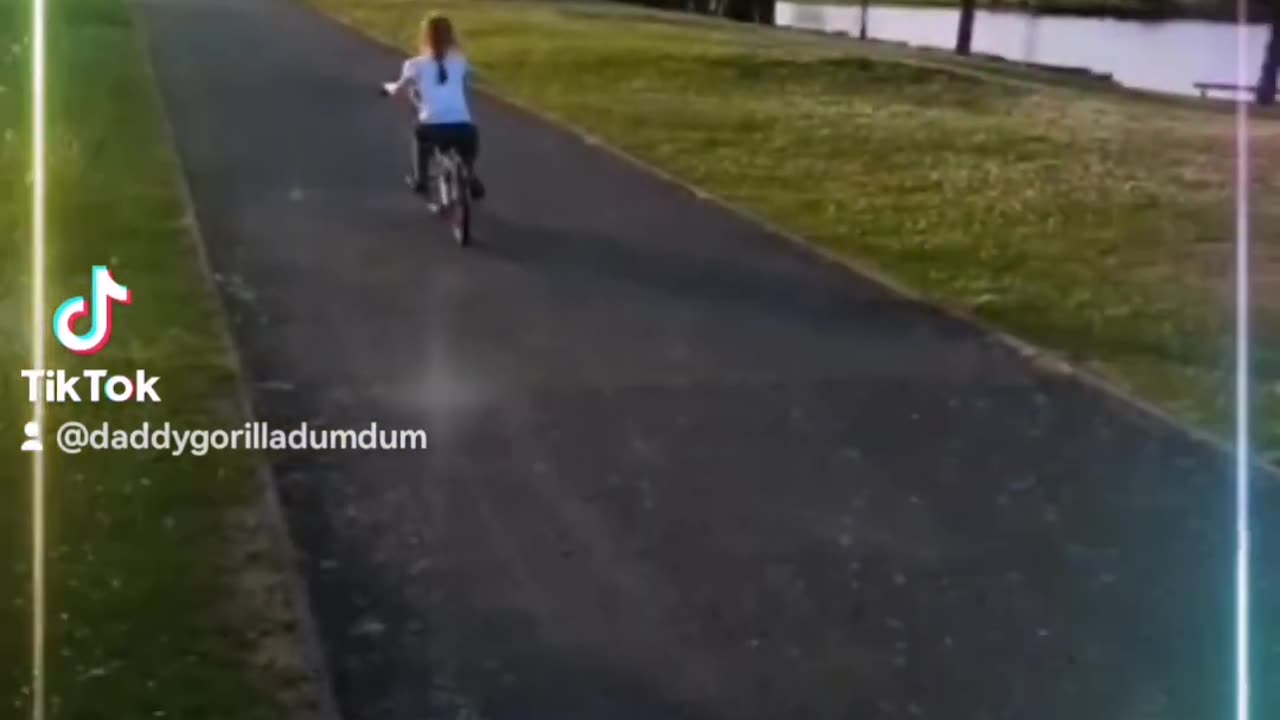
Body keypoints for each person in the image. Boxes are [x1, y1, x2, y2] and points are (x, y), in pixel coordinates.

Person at [383, 14, 484, 201]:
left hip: (432, 126)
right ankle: (469, 175)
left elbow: (398, 88)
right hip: (464, 128)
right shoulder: (460, 61)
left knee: (419, 135)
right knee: (468, 147)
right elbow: (474, 77)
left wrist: (387, 88)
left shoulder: (414, 65)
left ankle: (420, 179)